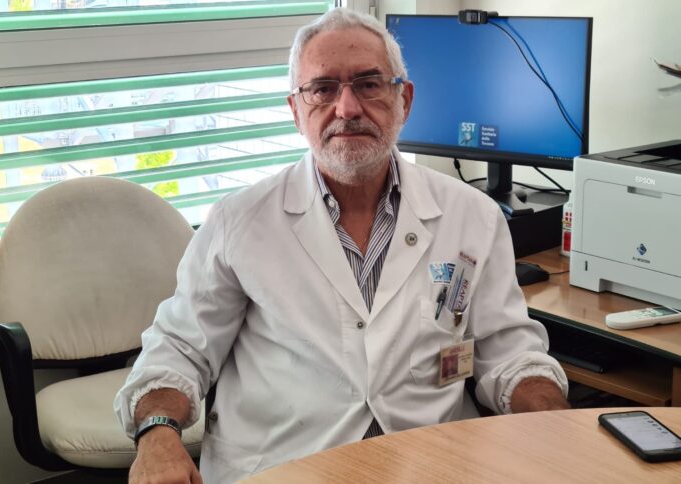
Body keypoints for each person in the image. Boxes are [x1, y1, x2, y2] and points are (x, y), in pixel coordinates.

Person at [115, 7, 570, 484]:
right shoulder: (239, 222)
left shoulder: (472, 215)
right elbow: (179, 350)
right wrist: (158, 434)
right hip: (286, 467)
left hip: (428, 462)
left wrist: (555, 419)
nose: (347, 108)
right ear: (296, 110)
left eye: (369, 84)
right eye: (322, 89)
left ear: (404, 100)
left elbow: (508, 352)